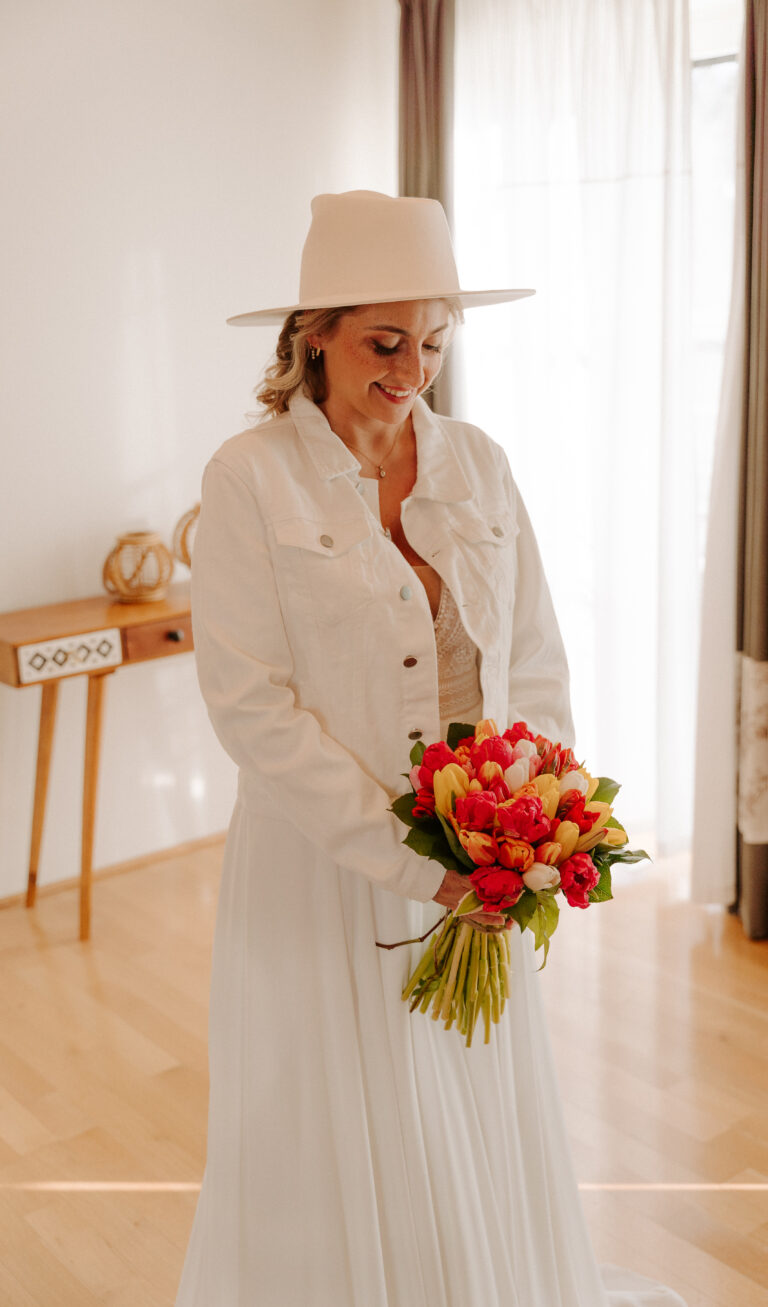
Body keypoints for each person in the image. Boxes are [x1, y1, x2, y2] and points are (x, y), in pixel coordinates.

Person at [175, 191, 686, 1306]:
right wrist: (423, 857)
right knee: (333, 1113)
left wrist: (531, 814)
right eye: (385, 341)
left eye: (436, 341)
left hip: (482, 866)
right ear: (315, 334)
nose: (413, 370)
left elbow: (537, 657)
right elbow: (253, 709)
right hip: (322, 866)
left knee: (465, 1095)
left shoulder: (480, 462)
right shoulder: (247, 476)